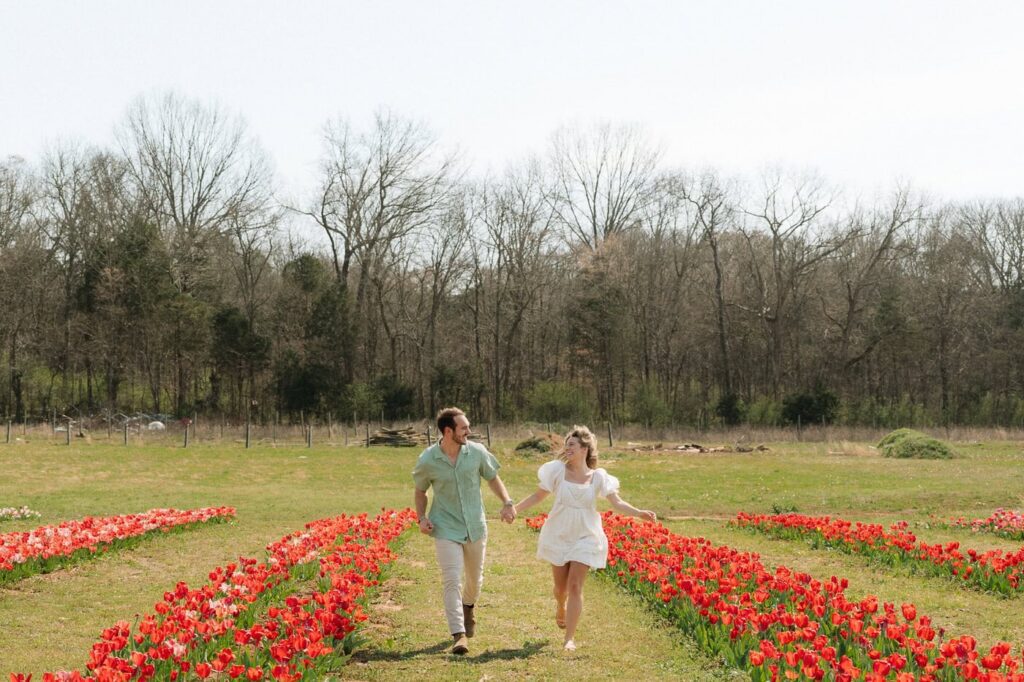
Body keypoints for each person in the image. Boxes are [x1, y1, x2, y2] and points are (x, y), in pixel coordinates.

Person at [513, 425, 656, 652]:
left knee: (575, 585)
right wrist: (515, 509)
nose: (566, 448)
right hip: (559, 533)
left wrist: (639, 512)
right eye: (566, 444)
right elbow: (538, 495)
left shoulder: (598, 477)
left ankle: (569, 638)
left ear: (584, 449)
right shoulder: (557, 471)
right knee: (561, 589)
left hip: (586, 535)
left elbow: (616, 502)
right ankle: (561, 605)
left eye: (571, 444)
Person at [412, 407, 516, 655]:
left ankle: (468, 606)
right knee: (451, 579)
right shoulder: (428, 459)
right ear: (449, 431)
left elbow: (492, 477)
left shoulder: (477, 452)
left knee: (474, 580)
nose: (469, 431)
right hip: (445, 526)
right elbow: (420, 490)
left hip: (475, 526)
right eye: (464, 428)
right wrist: (422, 518)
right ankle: (458, 635)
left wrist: (507, 503)